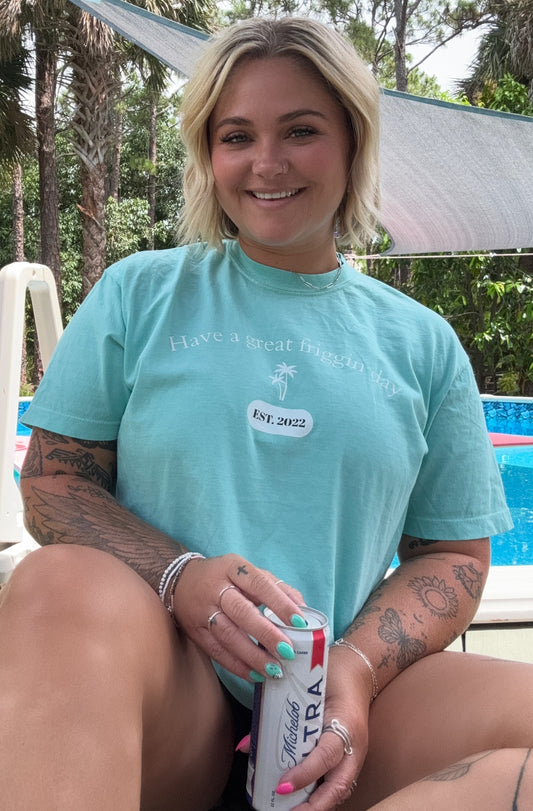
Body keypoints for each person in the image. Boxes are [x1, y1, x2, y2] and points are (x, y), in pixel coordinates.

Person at [1, 15, 532, 811]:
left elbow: (451, 555)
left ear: (352, 142)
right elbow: (53, 482)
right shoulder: (140, 294)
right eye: (237, 136)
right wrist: (178, 576)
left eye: (301, 131)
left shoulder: (421, 343)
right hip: (169, 692)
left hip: (340, 700)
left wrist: (354, 666)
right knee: (58, 581)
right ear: (208, 153)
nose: (266, 161)